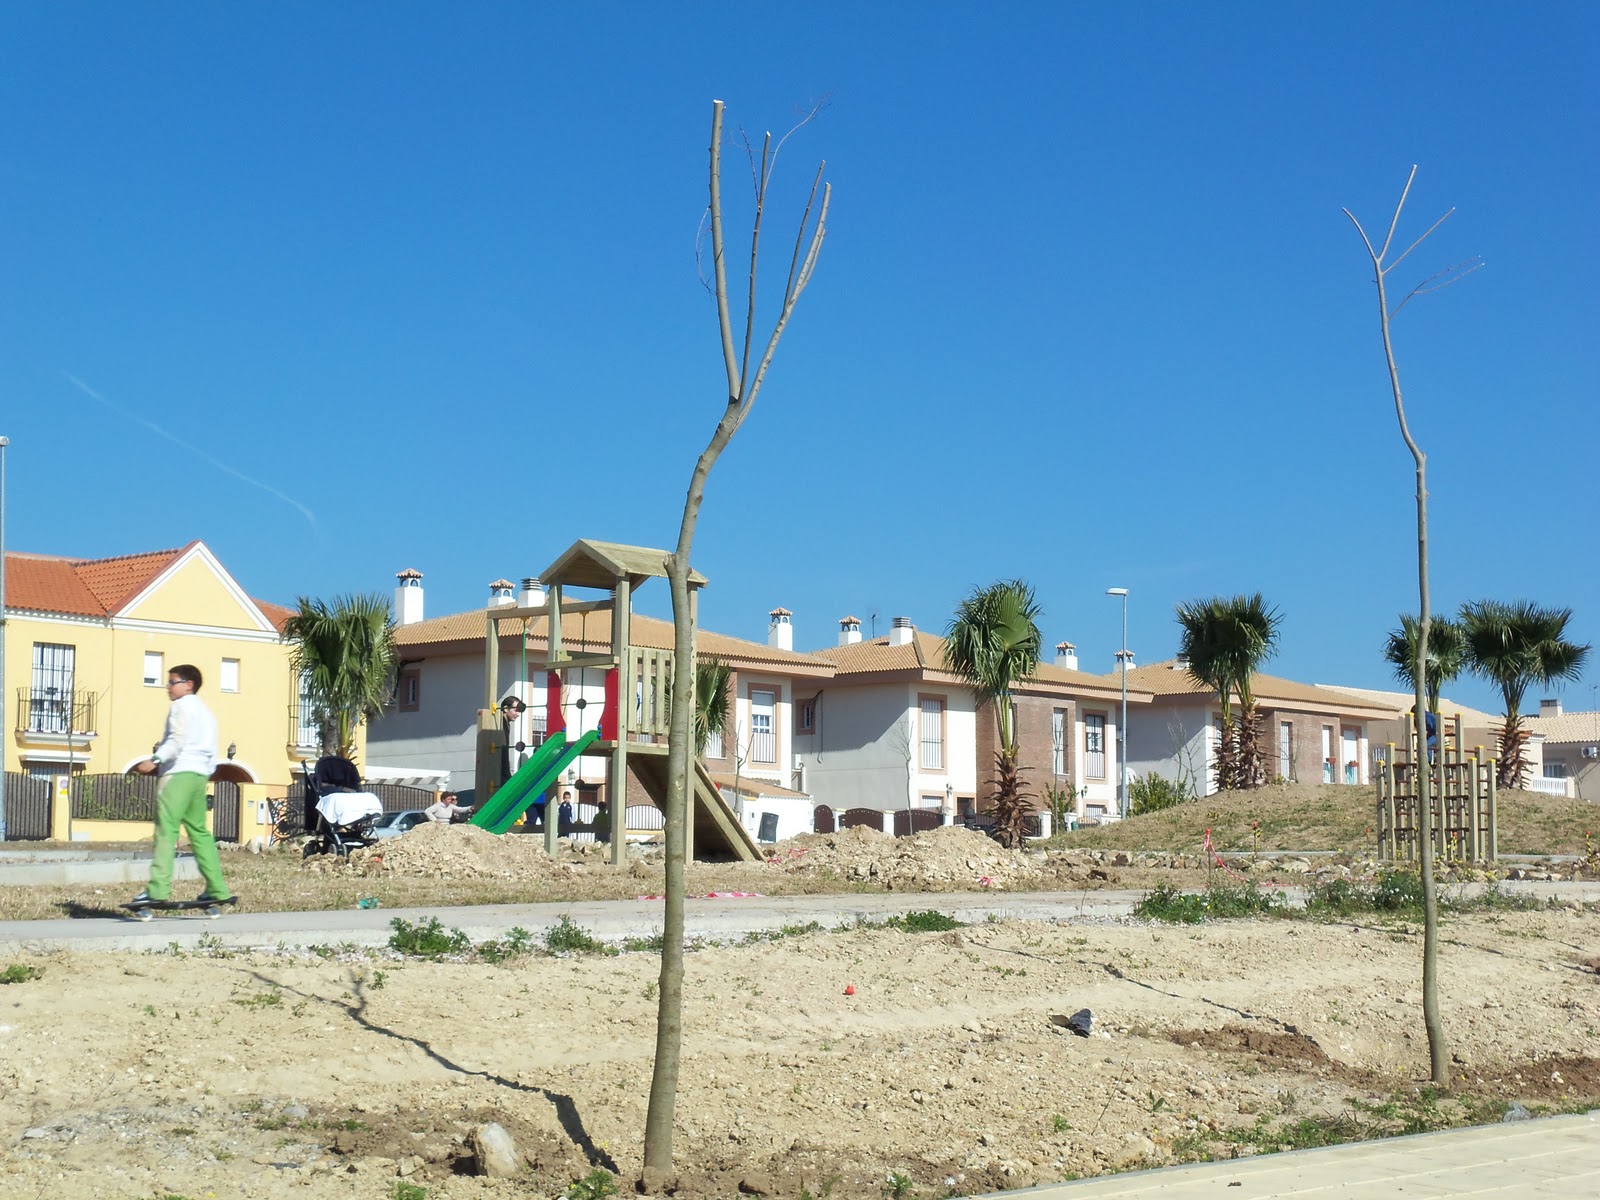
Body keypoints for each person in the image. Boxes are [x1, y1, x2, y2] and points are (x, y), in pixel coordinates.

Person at [130, 664, 232, 907]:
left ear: (189, 684)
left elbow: (176, 740)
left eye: (172, 682)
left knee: (167, 831)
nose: (168, 687)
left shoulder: (180, 706)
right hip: (198, 777)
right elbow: (211, 751)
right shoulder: (207, 713)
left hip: (177, 774)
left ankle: (157, 890)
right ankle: (217, 888)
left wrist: (155, 759)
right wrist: (204, 773)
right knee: (200, 832)